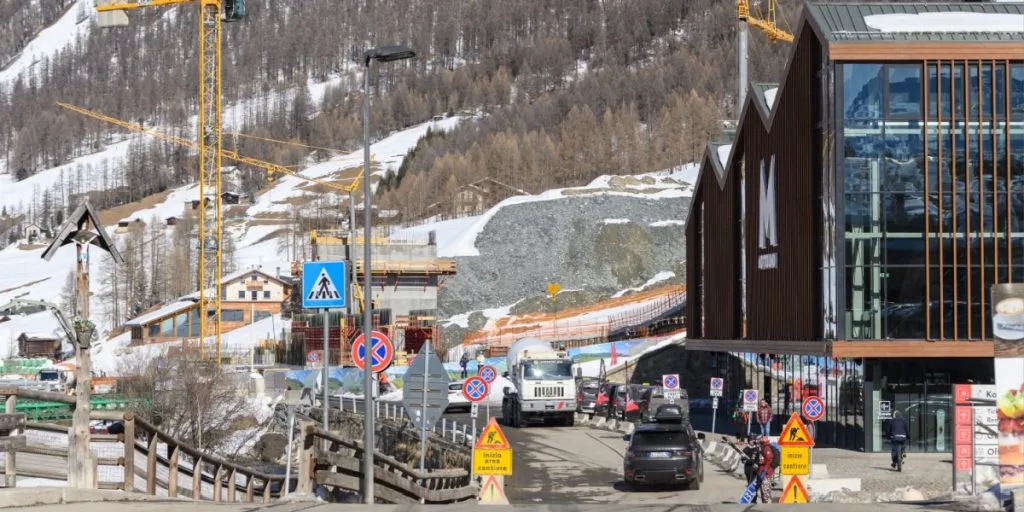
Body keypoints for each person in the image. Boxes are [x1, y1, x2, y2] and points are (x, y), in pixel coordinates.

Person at [757, 436, 775, 503]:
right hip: (762, 471)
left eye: (761, 439)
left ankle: (768, 507)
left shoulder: (767, 448)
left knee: (766, 493)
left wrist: (764, 470)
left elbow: (769, 460)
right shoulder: (763, 447)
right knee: (763, 493)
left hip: (766, 474)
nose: (760, 440)